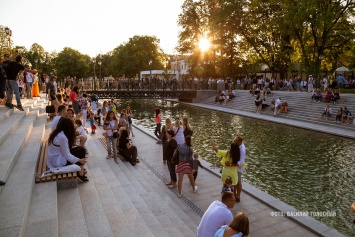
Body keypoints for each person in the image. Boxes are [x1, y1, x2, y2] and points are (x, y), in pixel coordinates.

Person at [47, 117, 88, 182]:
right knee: (81, 150)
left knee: (80, 149)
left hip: (55, 157)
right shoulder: (62, 137)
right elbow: (67, 155)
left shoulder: (58, 133)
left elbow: (66, 150)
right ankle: (80, 173)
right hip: (58, 161)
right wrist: (80, 160)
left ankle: (81, 171)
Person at [234, 136, 246, 202]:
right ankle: (234, 194)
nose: (234, 142)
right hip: (236, 167)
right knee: (235, 181)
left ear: (239, 142)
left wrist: (232, 165)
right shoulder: (238, 145)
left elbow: (241, 162)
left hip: (239, 167)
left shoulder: (242, 149)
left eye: (235, 141)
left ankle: (238, 196)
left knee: (238, 181)